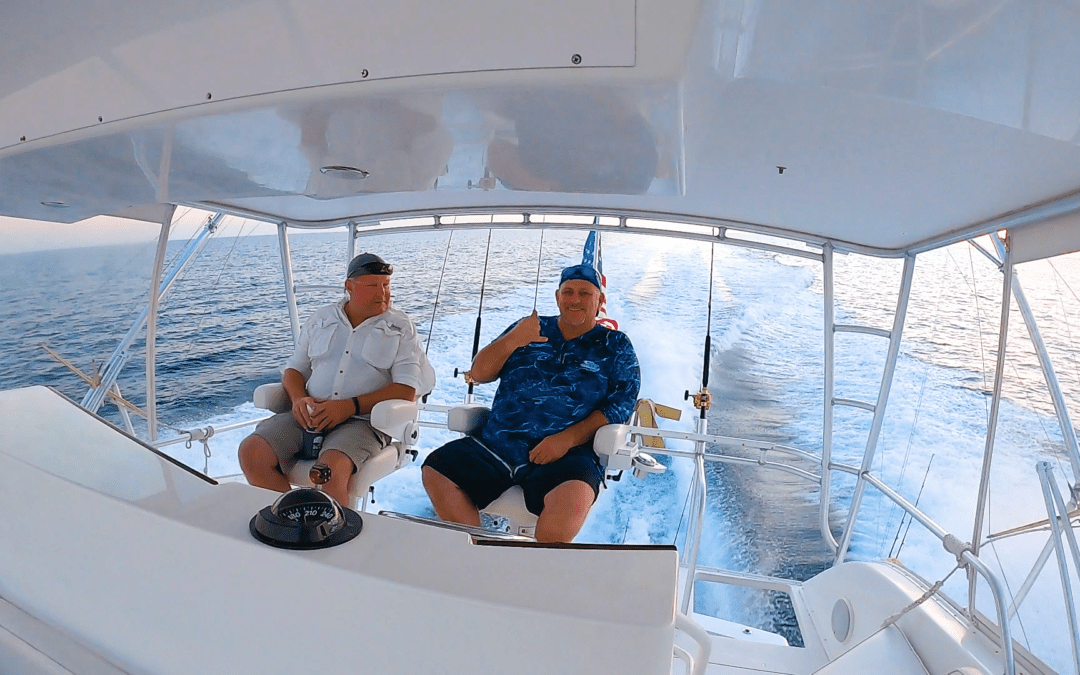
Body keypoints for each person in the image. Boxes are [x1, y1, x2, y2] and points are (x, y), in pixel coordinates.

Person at [422, 264, 640, 543]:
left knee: (571, 500)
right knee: (437, 469)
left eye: (585, 293)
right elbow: (478, 374)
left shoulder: (616, 345)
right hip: (498, 444)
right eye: (568, 292)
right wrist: (514, 339)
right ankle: (476, 552)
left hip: (568, 453)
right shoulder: (528, 328)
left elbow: (621, 405)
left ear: (600, 301)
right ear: (557, 296)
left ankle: (537, 572)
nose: (575, 300)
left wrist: (567, 439)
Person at [239, 253, 434, 506]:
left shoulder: (400, 327)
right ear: (349, 287)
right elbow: (294, 370)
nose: (383, 294)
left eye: (386, 285)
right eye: (372, 286)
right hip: (310, 414)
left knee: (327, 472)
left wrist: (348, 406)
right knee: (252, 452)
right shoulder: (322, 318)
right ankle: (293, 519)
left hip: (362, 421)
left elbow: (406, 390)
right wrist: (298, 399)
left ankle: (330, 535)